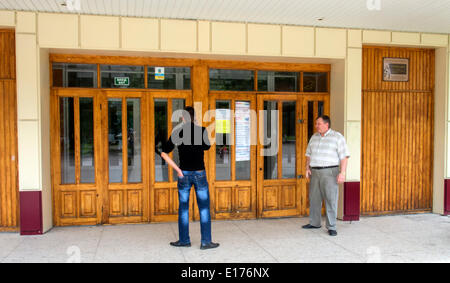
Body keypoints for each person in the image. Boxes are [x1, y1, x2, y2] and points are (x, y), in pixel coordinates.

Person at [160, 106, 219, 250]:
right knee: (204, 208)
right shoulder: (202, 130)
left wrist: (178, 170)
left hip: (183, 174)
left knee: (184, 209)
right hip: (199, 173)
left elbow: (165, 151)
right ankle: (206, 242)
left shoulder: (177, 132)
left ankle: (184, 240)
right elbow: (207, 147)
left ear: (182, 118)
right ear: (195, 117)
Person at [303, 115, 349, 236]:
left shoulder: (337, 137)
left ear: (326, 125)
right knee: (314, 198)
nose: (316, 126)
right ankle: (314, 222)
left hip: (330, 172)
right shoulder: (314, 137)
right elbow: (308, 154)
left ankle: (332, 226)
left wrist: (342, 173)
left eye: (319, 124)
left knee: (330, 199)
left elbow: (344, 157)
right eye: (316, 123)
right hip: (315, 172)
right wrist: (307, 167)